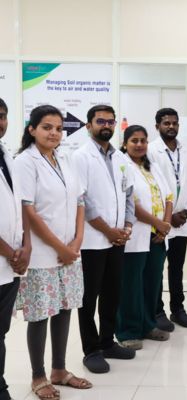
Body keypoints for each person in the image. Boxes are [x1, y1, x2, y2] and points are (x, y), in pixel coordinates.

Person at [13, 105, 92, 400]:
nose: (54, 133)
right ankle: (39, 376)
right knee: (40, 314)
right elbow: (28, 210)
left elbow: (80, 201)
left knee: (65, 308)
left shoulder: (65, 158)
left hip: (70, 251)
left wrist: (77, 241)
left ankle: (59, 369)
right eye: (47, 127)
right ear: (32, 129)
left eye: (59, 128)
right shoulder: (25, 161)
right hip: (43, 255)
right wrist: (60, 247)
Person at [72, 105, 136, 374]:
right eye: (100, 121)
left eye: (110, 121)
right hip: (93, 241)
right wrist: (108, 230)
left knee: (112, 293)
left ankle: (108, 342)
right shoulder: (80, 157)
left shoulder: (120, 157)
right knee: (88, 298)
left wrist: (127, 226)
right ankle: (91, 350)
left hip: (118, 239)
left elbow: (128, 193)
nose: (106, 125)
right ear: (89, 126)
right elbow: (82, 200)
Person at [116, 125, 173, 349]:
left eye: (143, 141)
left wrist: (165, 226)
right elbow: (131, 204)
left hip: (157, 237)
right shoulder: (122, 165)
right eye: (134, 140)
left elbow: (169, 196)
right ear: (125, 143)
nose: (139, 145)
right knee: (131, 285)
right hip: (136, 235)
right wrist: (159, 224)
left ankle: (148, 325)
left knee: (152, 283)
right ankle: (128, 331)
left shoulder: (152, 166)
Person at [148, 108, 187, 331]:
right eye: (166, 123)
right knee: (156, 269)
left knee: (177, 267)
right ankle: (157, 312)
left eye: (174, 123)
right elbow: (152, 186)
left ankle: (178, 309)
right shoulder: (151, 150)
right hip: (161, 221)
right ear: (157, 126)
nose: (171, 126)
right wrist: (167, 218)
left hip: (182, 220)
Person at [0, 98, 31, 400]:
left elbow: (19, 203)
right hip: (7, 258)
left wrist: (25, 248)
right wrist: (12, 253)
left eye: (2, 116)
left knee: (1, 331)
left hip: (10, 265)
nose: (0, 122)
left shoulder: (6, 155)